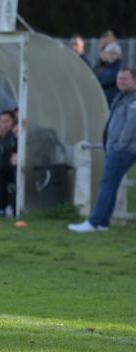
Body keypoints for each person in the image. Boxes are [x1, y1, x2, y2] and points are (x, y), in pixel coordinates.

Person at [68, 67, 136, 233]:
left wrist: (119, 146)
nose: (121, 81)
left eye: (125, 79)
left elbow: (131, 125)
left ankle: (93, 222)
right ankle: (103, 223)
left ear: (134, 81)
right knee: (111, 185)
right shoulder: (121, 97)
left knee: (106, 184)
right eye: (119, 78)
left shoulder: (133, 100)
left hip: (122, 150)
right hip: (115, 148)